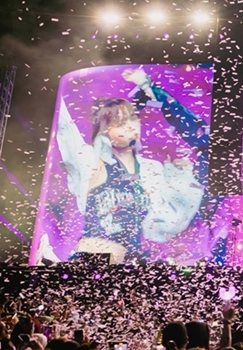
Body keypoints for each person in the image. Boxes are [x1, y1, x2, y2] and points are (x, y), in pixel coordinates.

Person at [48, 70, 207, 263]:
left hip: (129, 262)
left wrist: (149, 89)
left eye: (132, 118)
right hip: (94, 257)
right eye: (120, 123)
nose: (130, 126)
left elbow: (170, 220)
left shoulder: (151, 169)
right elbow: (64, 129)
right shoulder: (90, 161)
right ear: (105, 129)